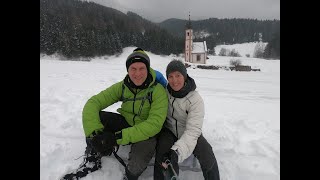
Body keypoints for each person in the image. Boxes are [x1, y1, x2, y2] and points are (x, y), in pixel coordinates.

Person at [67, 48, 169, 180]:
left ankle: (129, 177)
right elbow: (93, 103)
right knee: (98, 117)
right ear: (128, 70)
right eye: (133, 68)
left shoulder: (157, 90)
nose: (137, 73)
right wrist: (95, 135)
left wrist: (115, 138)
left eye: (141, 68)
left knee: (135, 167)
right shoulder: (123, 86)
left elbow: (154, 125)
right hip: (125, 122)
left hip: (146, 133)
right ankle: (92, 160)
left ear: (148, 69)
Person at [154, 60, 220, 180]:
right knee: (162, 154)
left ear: (184, 76)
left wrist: (176, 152)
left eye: (178, 75)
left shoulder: (195, 99)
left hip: (189, 132)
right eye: (171, 76)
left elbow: (193, 131)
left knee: (207, 154)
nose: (174, 81)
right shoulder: (164, 93)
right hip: (169, 131)